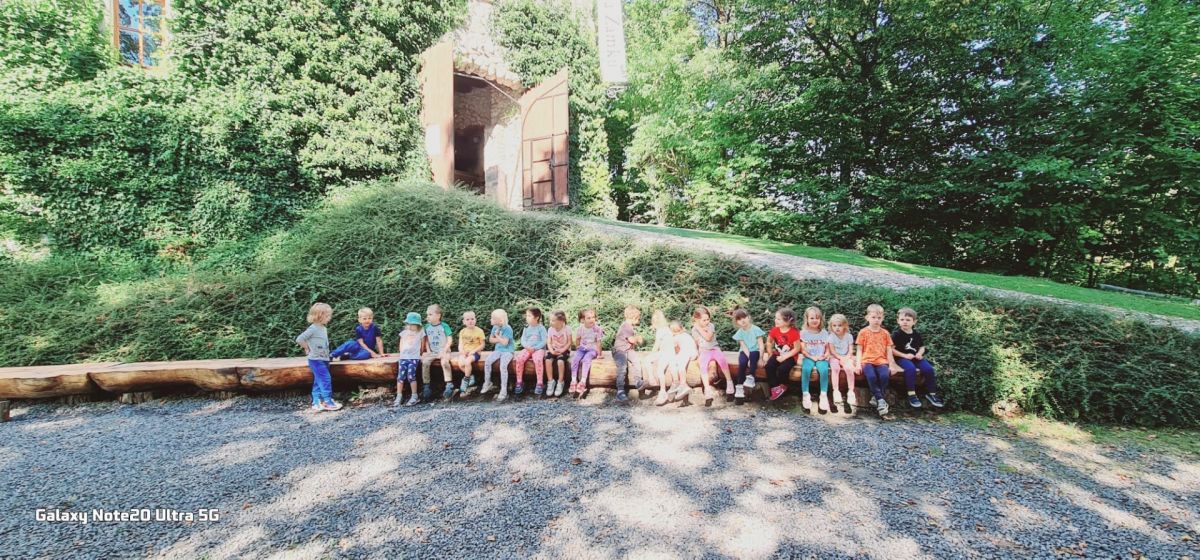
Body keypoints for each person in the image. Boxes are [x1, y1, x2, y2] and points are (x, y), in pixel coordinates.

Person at [891, 307, 945, 409]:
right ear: (898, 321)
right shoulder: (896, 334)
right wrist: (904, 355)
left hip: (915, 358)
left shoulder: (916, 334)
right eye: (902, 319)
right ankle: (911, 394)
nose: (905, 322)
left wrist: (919, 354)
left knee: (928, 369)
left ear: (914, 322)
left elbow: (922, 347)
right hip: (901, 358)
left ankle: (932, 393)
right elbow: (891, 349)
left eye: (908, 320)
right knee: (910, 369)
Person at [295, 302, 342, 412]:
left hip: (324, 359)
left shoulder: (323, 328)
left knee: (318, 381)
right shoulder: (313, 328)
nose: (329, 318)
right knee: (325, 379)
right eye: (328, 316)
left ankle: (316, 402)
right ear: (320, 316)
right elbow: (299, 339)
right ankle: (327, 402)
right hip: (316, 360)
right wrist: (307, 348)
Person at [857, 304, 899, 416]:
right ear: (867, 318)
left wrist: (892, 365)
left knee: (884, 376)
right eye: (873, 317)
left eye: (879, 318)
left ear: (882, 318)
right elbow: (859, 349)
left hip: (881, 361)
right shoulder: (863, 332)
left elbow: (889, 350)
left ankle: (876, 397)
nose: (876, 320)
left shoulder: (885, 333)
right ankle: (881, 400)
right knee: (871, 376)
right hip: (867, 361)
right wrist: (857, 364)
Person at [692, 305, 734, 405]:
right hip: (704, 351)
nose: (707, 321)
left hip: (714, 349)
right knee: (703, 366)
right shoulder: (694, 330)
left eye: (708, 319)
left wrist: (699, 328)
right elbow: (697, 342)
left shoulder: (711, 325)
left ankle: (729, 383)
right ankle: (707, 389)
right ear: (697, 319)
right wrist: (696, 353)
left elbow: (708, 338)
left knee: (723, 362)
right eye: (704, 320)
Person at [799, 306, 832, 414]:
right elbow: (803, 349)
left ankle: (823, 395)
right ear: (807, 319)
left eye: (817, 318)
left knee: (824, 370)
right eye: (812, 318)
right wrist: (811, 357)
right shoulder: (803, 333)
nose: (814, 320)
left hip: (821, 357)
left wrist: (826, 355)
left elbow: (827, 347)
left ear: (820, 319)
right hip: (808, 357)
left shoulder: (824, 332)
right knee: (806, 369)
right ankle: (805, 394)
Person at [731, 308, 766, 405]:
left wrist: (761, 358)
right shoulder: (740, 332)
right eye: (739, 319)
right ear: (737, 322)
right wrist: (748, 358)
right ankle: (739, 387)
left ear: (748, 317)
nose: (742, 321)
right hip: (745, 351)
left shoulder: (756, 329)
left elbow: (761, 345)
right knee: (742, 363)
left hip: (755, 351)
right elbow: (743, 346)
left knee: (754, 355)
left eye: (744, 317)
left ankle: (751, 377)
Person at [764, 307, 800, 402]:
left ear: (788, 321)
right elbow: (769, 342)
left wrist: (785, 357)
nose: (776, 320)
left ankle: (784, 386)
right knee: (768, 366)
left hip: (791, 356)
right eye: (775, 318)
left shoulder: (794, 332)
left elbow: (797, 348)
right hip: (777, 353)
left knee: (782, 369)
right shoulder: (775, 330)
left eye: (779, 319)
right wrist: (770, 353)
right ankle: (775, 388)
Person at [420, 304, 455, 400]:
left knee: (444, 362)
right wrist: (428, 350)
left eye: (430, 314)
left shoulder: (444, 326)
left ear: (438, 315)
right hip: (432, 352)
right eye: (427, 315)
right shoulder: (427, 327)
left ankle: (449, 384)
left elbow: (450, 340)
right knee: (425, 362)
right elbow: (426, 339)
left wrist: (444, 350)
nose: (427, 317)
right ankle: (426, 385)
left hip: (444, 351)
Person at [613, 306, 646, 404]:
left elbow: (630, 343)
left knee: (636, 360)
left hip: (628, 350)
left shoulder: (630, 326)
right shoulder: (626, 326)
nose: (638, 321)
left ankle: (638, 381)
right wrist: (638, 338)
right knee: (622, 367)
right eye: (638, 319)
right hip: (619, 350)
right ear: (634, 318)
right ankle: (620, 391)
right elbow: (631, 340)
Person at [644, 310, 677, 406]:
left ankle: (663, 392)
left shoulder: (661, 330)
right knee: (647, 359)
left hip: (667, 354)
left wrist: (652, 353)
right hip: (663, 352)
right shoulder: (667, 329)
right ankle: (651, 378)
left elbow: (656, 345)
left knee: (659, 370)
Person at [827, 313, 859, 414]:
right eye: (834, 325)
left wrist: (846, 358)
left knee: (849, 369)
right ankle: (836, 391)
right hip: (835, 357)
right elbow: (832, 351)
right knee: (835, 368)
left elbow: (850, 350)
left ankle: (851, 391)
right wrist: (840, 358)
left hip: (847, 357)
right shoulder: (831, 337)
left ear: (845, 325)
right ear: (831, 326)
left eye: (839, 325)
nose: (837, 328)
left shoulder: (849, 336)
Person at [570, 308, 604, 399]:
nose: (592, 319)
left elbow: (598, 342)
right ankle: (573, 380)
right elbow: (577, 338)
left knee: (586, 359)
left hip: (592, 349)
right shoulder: (580, 328)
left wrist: (599, 354)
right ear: (582, 320)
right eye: (588, 318)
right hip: (582, 348)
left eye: (593, 317)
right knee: (575, 359)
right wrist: (577, 346)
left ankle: (583, 382)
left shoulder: (597, 329)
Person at [513, 308, 548, 396]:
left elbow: (544, 340)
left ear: (536, 318)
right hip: (527, 348)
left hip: (538, 349)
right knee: (519, 359)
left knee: (538, 360)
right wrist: (527, 347)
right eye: (527, 316)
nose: (527, 317)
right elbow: (523, 340)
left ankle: (539, 383)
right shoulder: (526, 328)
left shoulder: (541, 328)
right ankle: (519, 381)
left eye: (529, 316)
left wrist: (535, 348)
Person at [481, 309, 515, 401]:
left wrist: (497, 336)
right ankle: (487, 382)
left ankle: (503, 389)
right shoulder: (495, 327)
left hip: (508, 351)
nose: (490, 319)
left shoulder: (507, 328)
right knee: (487, 361)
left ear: (500, 320)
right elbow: (491, 340)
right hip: (498, 350)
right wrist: (499, 339)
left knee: (503, 366)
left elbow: (505, 343)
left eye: (493, 318)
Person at [392, 312, 425, 407]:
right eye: (408, 324)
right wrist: (402, 354)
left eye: (412, 324)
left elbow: (422, 345)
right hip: (403, 358)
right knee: (400, 377)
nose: (410, 326)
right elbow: (401, 344)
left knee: (411, 377)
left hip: (413, 358)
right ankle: (399, 396)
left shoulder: (420, 333)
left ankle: (414, 396)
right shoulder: (404, 333)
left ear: (418, 325)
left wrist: (419, 354)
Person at [455, 311, 486, 396]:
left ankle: (466, 380)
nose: (470, 321)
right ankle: (471, 376)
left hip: (475, 353)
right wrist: (462, 351)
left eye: (472, 319)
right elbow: (460, 344)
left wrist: (474, 351)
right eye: (467, 319)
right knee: (460, 364)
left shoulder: (479, 331)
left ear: (475, 320)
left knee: (467, 362)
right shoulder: (462, 331)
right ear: (464, 322)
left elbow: (482, 345)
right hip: (465, 352)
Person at [670, 320, 698, 406]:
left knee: (680, 366)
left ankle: (683, 384)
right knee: (676, 364)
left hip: (687, 352)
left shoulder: (675, 338)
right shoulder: (686, 334)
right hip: (693, 352)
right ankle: (676, 384)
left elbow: (676, 350)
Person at [545, 311, 572, 397]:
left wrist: (563, 350)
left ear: (561, 321)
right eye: (550, 320)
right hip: (553, 349)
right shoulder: (550, 329)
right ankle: (551, 381)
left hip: (564, 349)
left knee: (560, 362)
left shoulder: (567, 329)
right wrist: (552, 351)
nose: (550, 322)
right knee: (548, 360)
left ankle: (560, 382)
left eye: (553, 320)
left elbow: (569, 342)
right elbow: (549, 342)